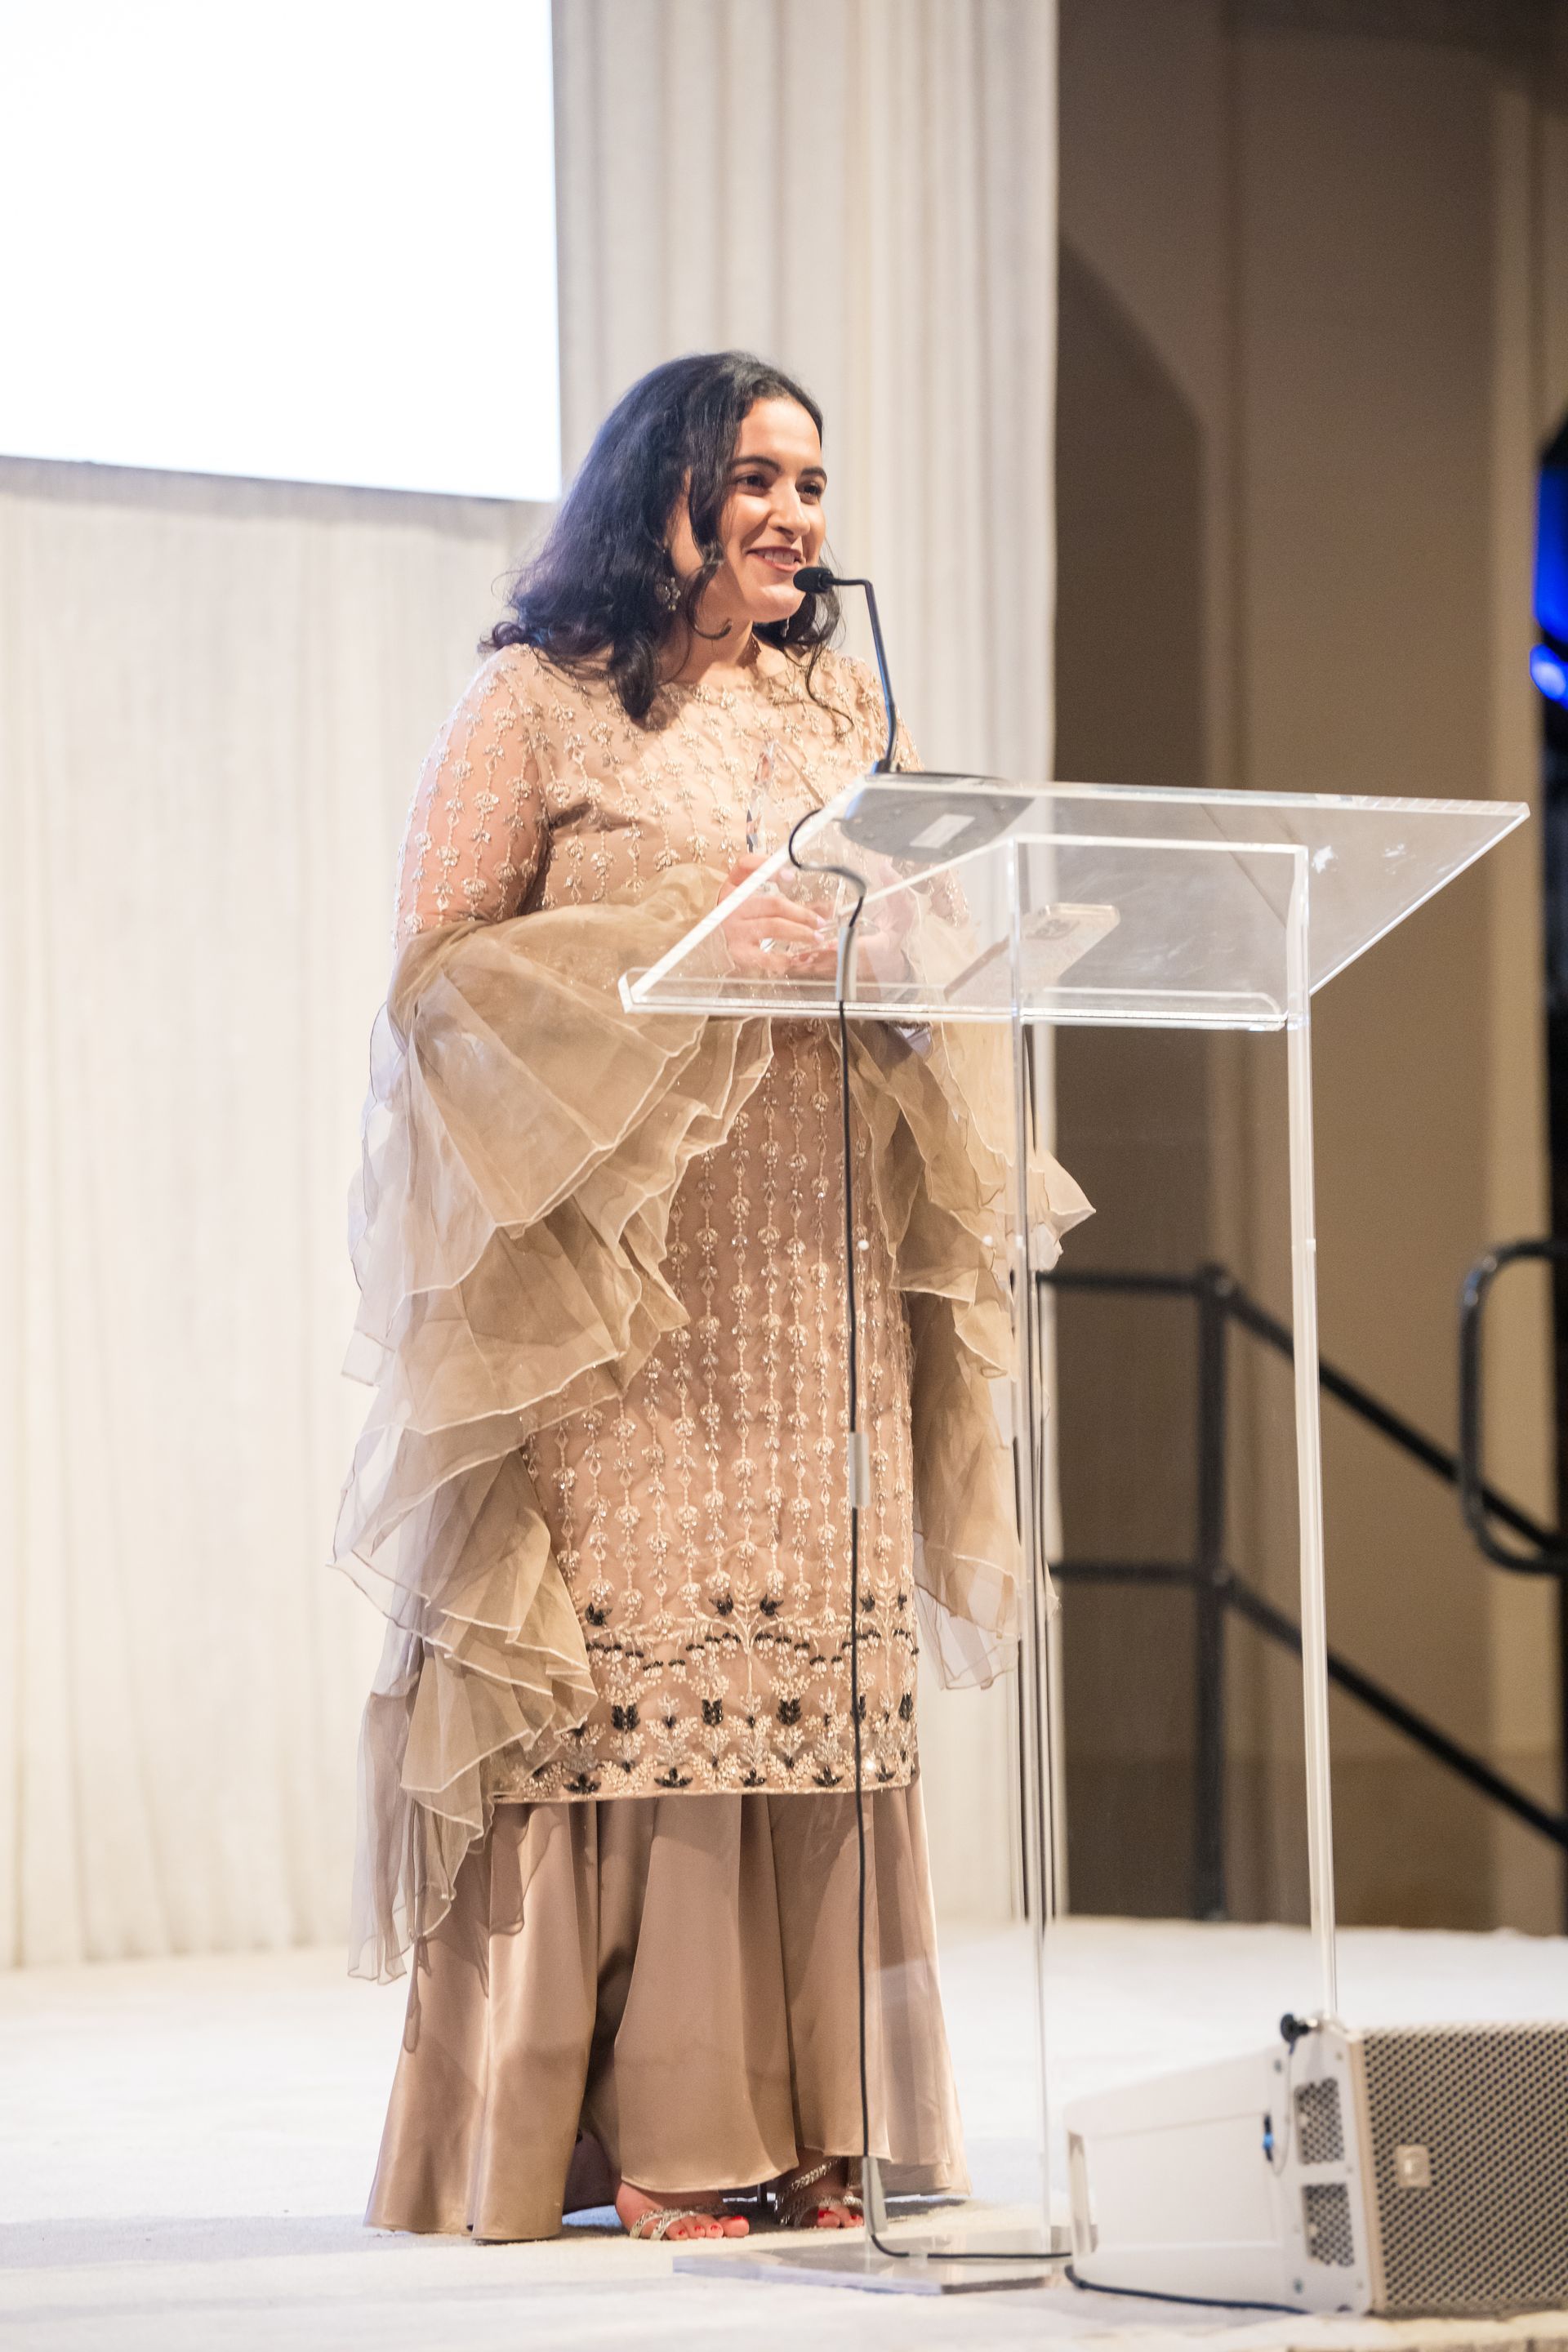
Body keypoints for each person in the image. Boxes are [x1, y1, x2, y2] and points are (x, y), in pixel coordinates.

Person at [333, 350, 1089, 2243]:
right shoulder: (542, 704)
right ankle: (662, 2125)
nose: (794, 515)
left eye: (814, 483)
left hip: (820, 1257)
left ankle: (827, 2116)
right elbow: (436, 974)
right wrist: (673, 957)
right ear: (655, 490)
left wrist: (938, 933)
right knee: (646, 1672)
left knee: (814, 1662)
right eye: (754, 474)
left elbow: (885, 930)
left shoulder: (847, 708)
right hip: (629, 1293)